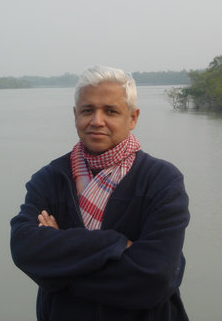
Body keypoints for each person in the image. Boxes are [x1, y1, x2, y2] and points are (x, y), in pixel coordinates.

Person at [10, 66, 190, 321]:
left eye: (111, 111)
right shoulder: (50, 179)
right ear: (75, 115)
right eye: (87, 110)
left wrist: (59, 270)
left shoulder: (161, 181)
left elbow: (156, 278)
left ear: (133, 117)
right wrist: (117, 244)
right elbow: (24, 248)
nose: (96, 121)